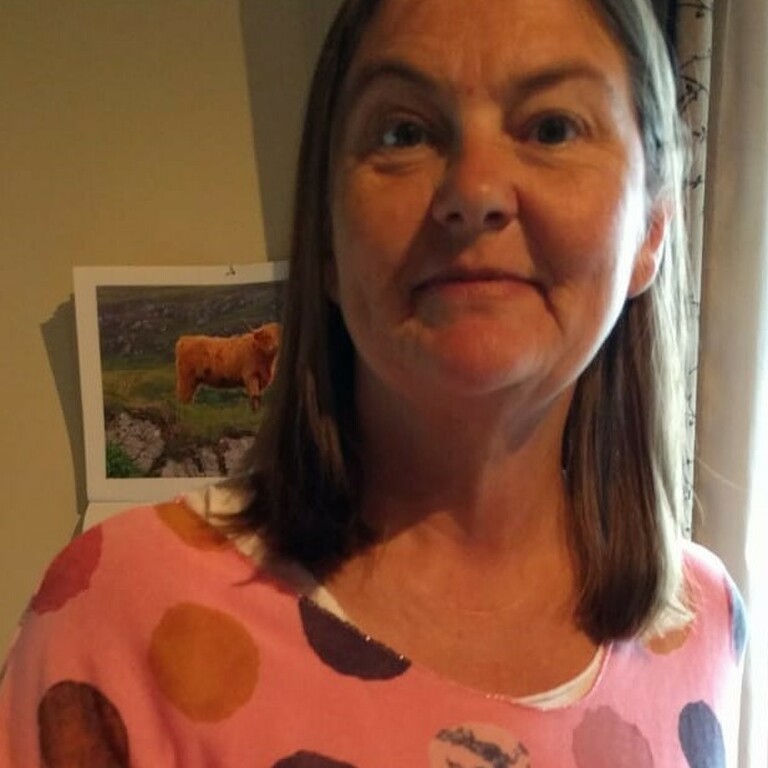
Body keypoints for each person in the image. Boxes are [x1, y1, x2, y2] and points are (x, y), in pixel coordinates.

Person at [0, 0, 746, 765]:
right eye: (404, 133)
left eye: (552, 127)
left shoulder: (704, 623)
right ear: (325, 233)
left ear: (653, 225)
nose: (475, 189)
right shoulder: (120, 614)